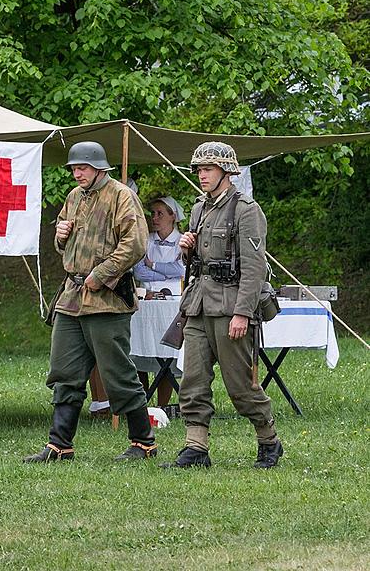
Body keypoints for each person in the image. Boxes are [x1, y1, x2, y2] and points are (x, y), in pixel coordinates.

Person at [24, 141, 155, 463]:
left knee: (117, 373)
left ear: (99, 167)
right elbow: (63, 247)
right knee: (64, 370)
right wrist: (61, 235)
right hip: (72, 297)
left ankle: (143, 441)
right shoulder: (73, 198)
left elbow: (136, 243)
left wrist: (102, 274)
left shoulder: (122, 196)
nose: (76, 173)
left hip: (107, 298)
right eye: (73, 168)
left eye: (82, 167)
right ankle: (59, 445)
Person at [164, 141, 282, 469]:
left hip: (231, 308)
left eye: (208, 169)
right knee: (193, 380)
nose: (201, 175)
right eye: (199, 169)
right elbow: (200, 260)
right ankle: (195, 447)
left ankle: (268, 439)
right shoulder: (200, 208)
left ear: (226, 171)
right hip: (199, 305)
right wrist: (186, 248)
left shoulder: (246, 210)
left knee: (240, 386)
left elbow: (255, 268)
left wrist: (243, 312)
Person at [134, 196, 186, 296]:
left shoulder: (182, 241)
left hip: (174, 296)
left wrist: (151, 265)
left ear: (173, 216)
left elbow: (181, 270)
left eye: (160, 214)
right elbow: (138, 272)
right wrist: (166, 275)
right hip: (147, 294)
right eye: (153, 213)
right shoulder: (145, 239)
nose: (154, 218)